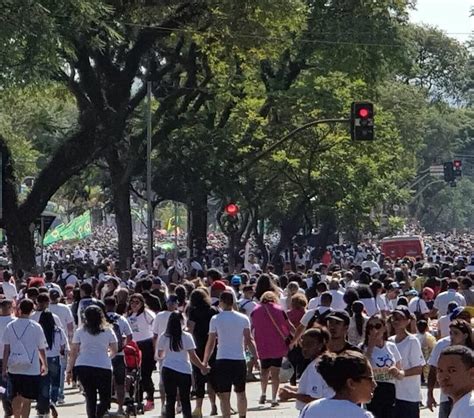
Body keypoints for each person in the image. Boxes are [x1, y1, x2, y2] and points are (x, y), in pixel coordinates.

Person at [203, 291, 258, 418]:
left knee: (224, 395)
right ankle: (242, 416)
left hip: (222, 359)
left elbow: (211, 342)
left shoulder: (215, 319)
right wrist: (256, 357)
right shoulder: (243, 318)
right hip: (239, 359)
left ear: (222, 302)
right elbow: (249, 340)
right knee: (241, 393)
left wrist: (205, 361)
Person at [67, 305, 117, 418]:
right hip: (103, 366)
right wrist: (108, 356)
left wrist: (69, 369)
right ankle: (98, 415)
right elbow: (114, 349)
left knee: (90, 397)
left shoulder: (80, 331)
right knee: (105, 399)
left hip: (83, 365)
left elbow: (74, 351)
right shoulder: (108, 331)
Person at [2, 299, 48, 418]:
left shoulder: (10, 326)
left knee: (16, 396)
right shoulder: (36, 326)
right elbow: (41, 348)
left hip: (14, 366)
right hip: (32, 368)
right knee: (27, 399)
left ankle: (16, 416)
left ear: (19, 309)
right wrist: (44, 364)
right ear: (31, 310)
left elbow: (6, 350)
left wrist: (4, 368)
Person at [157, 312, 209, 418]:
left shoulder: (164, 336)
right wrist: (202, 367)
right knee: (185, 399)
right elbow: (193, 356)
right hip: (184, 370)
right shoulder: (187, 336)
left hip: (168, 369)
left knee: (170, 399)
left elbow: (160, 354)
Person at [299, 350, 376, 418]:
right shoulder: (362, 415)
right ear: (351, 383)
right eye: (370, 379)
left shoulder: (310, 408)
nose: (374, 384)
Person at [250, 291, 294, 407]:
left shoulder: (255, 311)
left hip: (262, 345)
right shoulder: (279, 309)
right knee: (275, 373)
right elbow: (288, 325)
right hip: (277, 345)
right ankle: (274, 398)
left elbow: (251, 327)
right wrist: (295, 337)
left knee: (264, 371)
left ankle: (263, 393)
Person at [278, 327, 334, 412]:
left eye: (309, 344)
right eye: (303, 344)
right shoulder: (323, 361)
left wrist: (291, 395)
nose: (304, 348)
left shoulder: (316, 367)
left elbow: (315, 398)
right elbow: (320, 389)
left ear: (320, 345)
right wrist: (295, 388)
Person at [427, 319, 473, 418]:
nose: (452, 336)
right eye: (450, 333)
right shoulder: (441, 345)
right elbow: (432, 370)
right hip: (447, 400)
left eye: (455, 333)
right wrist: (430, 393)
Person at [362, 314, 403, 418]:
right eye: (370, 327)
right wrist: (370, 346)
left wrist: (397, 372)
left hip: (389, 389)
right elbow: (362, 368)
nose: (374, 330)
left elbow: (401, 373)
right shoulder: (363, 347)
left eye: (378, 326)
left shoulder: (391, 346)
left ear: (384, 328)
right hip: (373, 389)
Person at [388, 306, 425, 418]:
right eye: (395, 318)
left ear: (408, 321)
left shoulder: (412, 341)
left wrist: (401, 373)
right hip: (392, 394)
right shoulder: (389, 341)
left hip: (408, 395)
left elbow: (418, 368)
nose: (397, 321)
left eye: (400, 318)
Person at [186, 288, 219, 417]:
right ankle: (214, 405)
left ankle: (198, 408)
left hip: (198, 345)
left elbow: (190, 328)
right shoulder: (213, 310)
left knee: (199, 378)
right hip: (212, 345)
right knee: (212, 378)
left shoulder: (192, 311)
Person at [126, 293, 156, 411]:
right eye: (132, 302)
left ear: (142, 303)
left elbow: (155, 328)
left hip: (146, 345)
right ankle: (137, 399)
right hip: (133, 346)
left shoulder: (147, 314)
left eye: (137, 302)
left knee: (145, 375)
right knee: (134, 374)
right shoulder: (129, 314)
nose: (134, 305)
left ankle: (150, 399)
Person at [37, 306, 68, 418]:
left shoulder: (38, 330)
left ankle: (44, 405)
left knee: (43, 383)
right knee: (55, 383)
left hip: (41, 359)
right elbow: (63, 346)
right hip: (55, 358)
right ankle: (53, 402)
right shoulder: (58, 330)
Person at [104, 296, 133, 416]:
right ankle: (120, 408)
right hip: (119, 354)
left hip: (105, 355)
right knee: (120, 382)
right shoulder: (121, 319)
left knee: (104, 382)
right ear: (115, 305)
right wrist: (123, 346)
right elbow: (130, 336)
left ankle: (104, 408)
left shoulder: (102, 319)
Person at [436, 345, 473, 418]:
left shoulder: (469, 409)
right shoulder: (463, 405)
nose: (444, 377)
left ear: (472, 373)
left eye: (452, 370)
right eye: (440, 371)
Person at [0, 300, 15, 417]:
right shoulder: (14, 322)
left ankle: (8, 408)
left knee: (2, 386)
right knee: (7, 385)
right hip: (12, 358)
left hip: (3, 357)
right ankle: (8, 408)